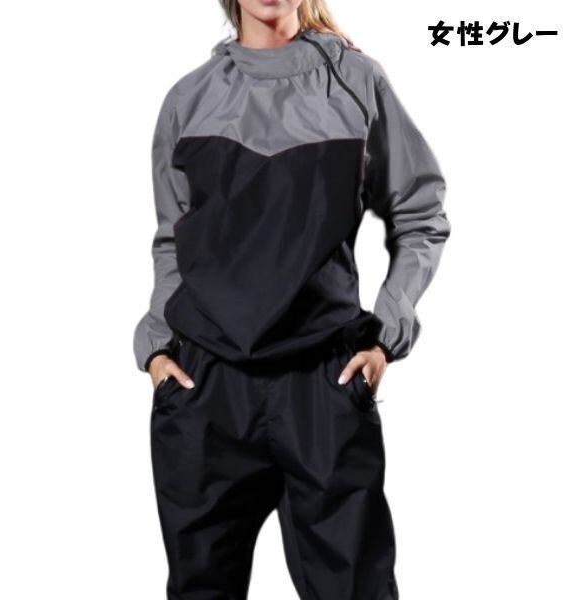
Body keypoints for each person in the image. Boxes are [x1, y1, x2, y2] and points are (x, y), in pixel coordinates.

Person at [133, 1, 451, 598]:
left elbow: (421, 213)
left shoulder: (356, 81)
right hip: (206, 386)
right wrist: (155, 348)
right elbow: (173, 240)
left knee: (353, 589)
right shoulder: (189, 99)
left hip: (322, 382)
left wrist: (387, 332)